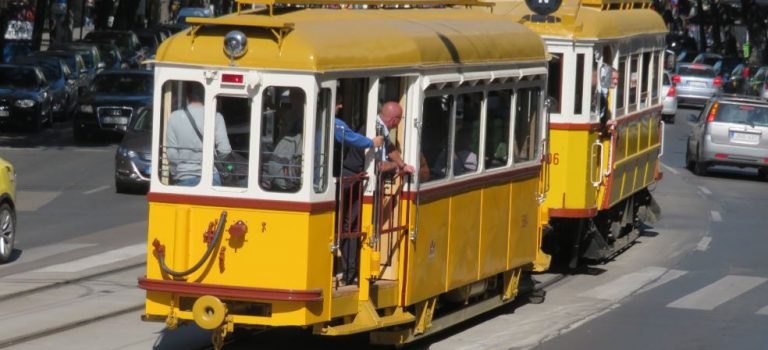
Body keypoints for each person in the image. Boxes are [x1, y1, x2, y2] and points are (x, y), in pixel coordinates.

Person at [166, 83, 231, 186]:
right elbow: (225, 150)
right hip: (211, 178)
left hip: (183, 177)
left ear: (187, 97)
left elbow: (171, 154)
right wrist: (218, 162)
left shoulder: (174, 117)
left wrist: (175, 173)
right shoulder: (216, 117)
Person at [375, 102, 416, 174]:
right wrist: (396, 165)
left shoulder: (378, 124)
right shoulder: (378, 131)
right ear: (394, 120)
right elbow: (380, 166)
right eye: (401, 118)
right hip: (355, 181)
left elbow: (389, 147)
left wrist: (403, 165)